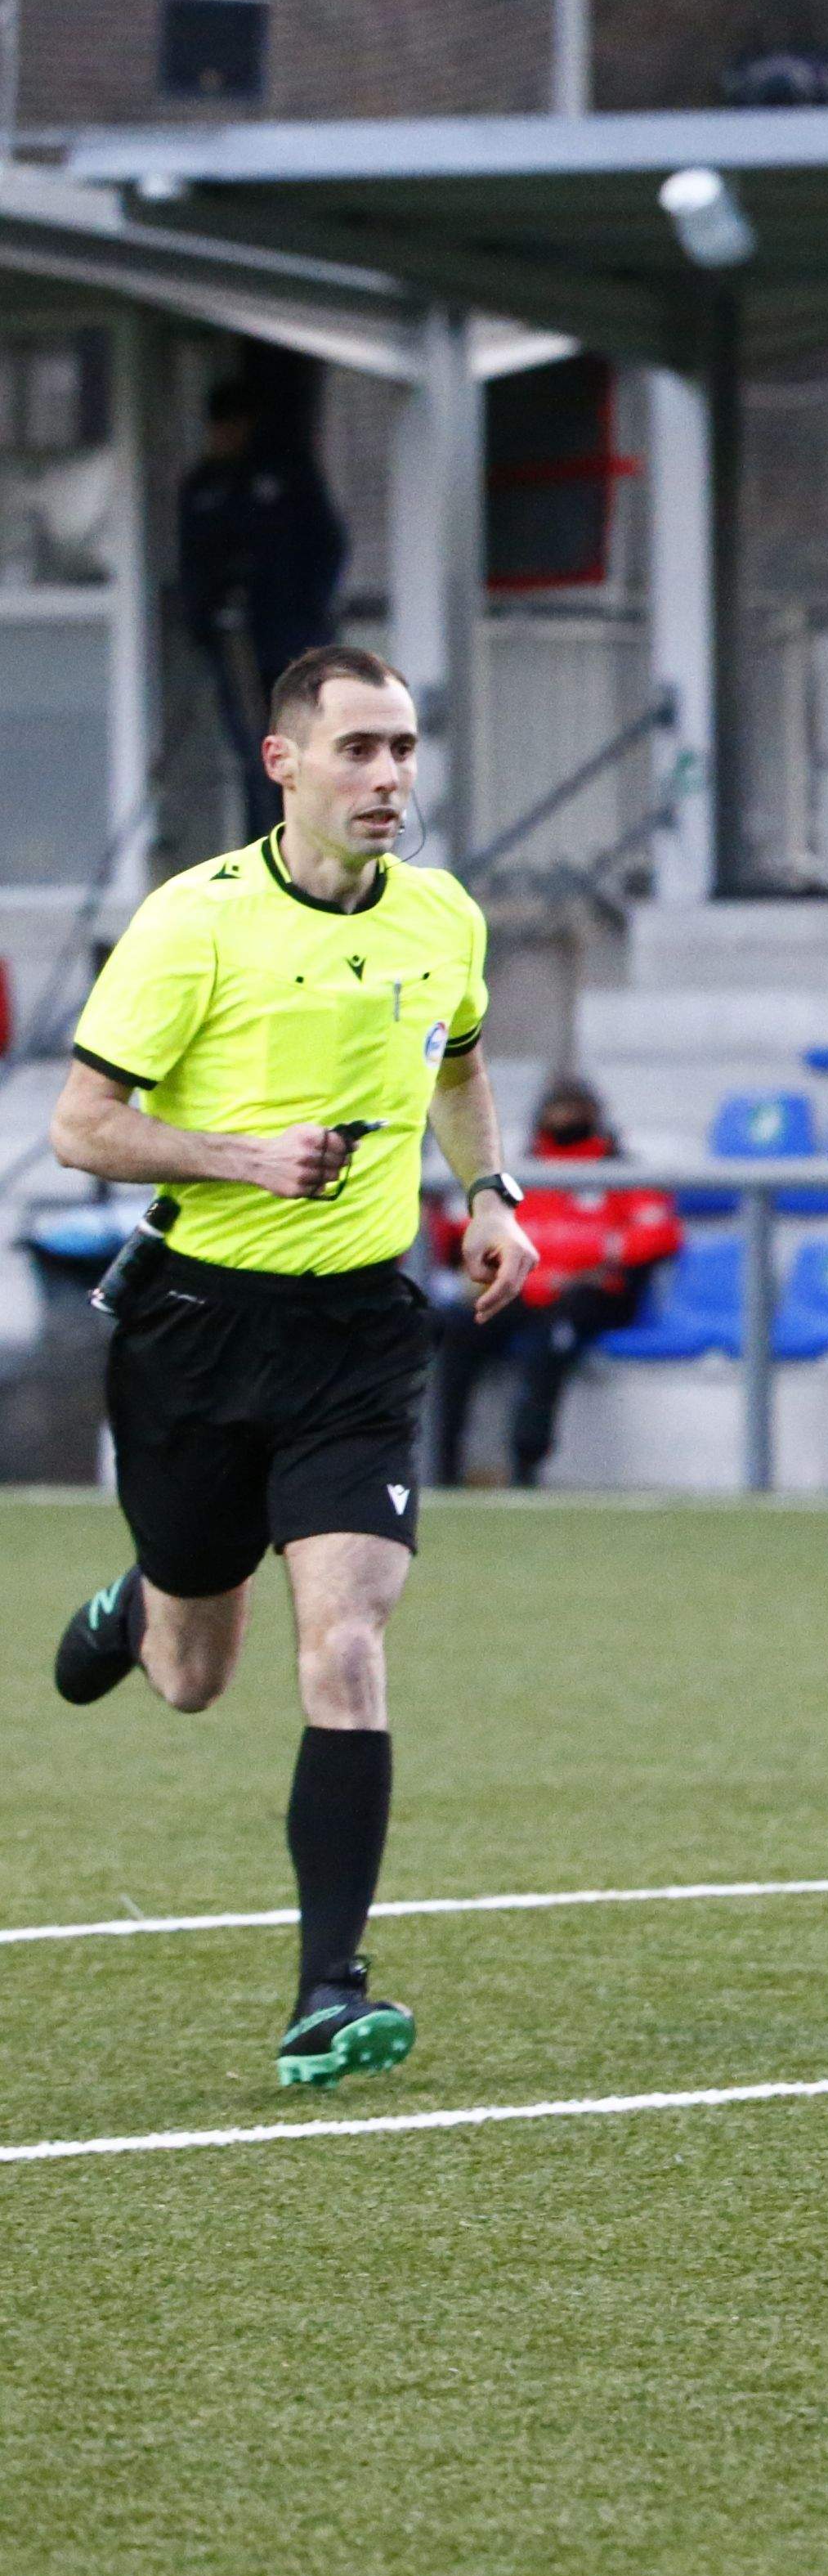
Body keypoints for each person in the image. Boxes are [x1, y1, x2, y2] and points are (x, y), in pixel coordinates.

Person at [46, 644, 535, 2088]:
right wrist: (239, 1158)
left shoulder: (442, 915)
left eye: (403, 750)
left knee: (346, 1641)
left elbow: (457, 1063)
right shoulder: (191, 925)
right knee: (195, 1675)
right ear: (286, 767)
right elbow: (82, 1126)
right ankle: (150, 1591)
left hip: (357, 1334)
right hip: (196, 1327)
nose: (388, 778)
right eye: (358, 751)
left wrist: (492, 1195)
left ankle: (331, 1985)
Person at [427, 1077, 678, 1489]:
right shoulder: (519, 1173)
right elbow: (463, 1232)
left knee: (551, 1340)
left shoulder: (619, 1173)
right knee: (456, 1330)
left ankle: (526, 1465)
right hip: (519, 1288)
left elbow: (658, 1233)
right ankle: (441, 1467)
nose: (565, 1120)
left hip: (590, 1294)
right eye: (557, 1112)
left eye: (575, 1112)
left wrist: (600, 1256)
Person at [173, 368, 347, 841]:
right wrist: (205, 623)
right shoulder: (204, 486)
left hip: (290, 643)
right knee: (254, 755)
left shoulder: (285, 477)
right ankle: (265, 845)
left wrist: (306, 615)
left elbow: (327, 546)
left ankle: (309, 844)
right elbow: (194, 565)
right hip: (234, 647)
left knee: (302, 749)